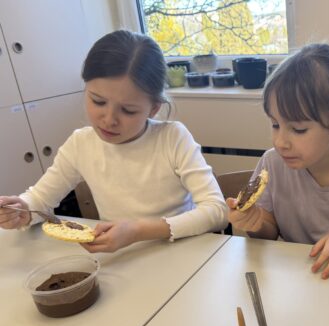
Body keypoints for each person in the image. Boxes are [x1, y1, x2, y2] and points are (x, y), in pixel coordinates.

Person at [0, 30, 228, 252]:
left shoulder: (172, 138)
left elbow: (217, 211)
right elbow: (40, 198)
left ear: (153, 109)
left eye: (128, 110)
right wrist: (22, 210)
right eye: (98, 101)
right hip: (122, 257)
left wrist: (137, 231)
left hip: (181, 253)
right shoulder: (80, 144)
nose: (109, 120)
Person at [227, 43, 329, 279]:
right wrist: (254, 223)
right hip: (292, 279)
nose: (280, 142)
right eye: (275, 124)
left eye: (298, 129)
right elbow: (268, 232)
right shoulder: (272, 163)